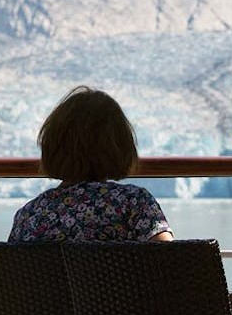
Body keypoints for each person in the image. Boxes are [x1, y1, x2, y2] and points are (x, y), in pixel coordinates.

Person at [9, 85, 173, 242]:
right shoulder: (134, 204)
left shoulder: (28, 215)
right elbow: (169, 255)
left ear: (52, 146)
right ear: (119, 146)